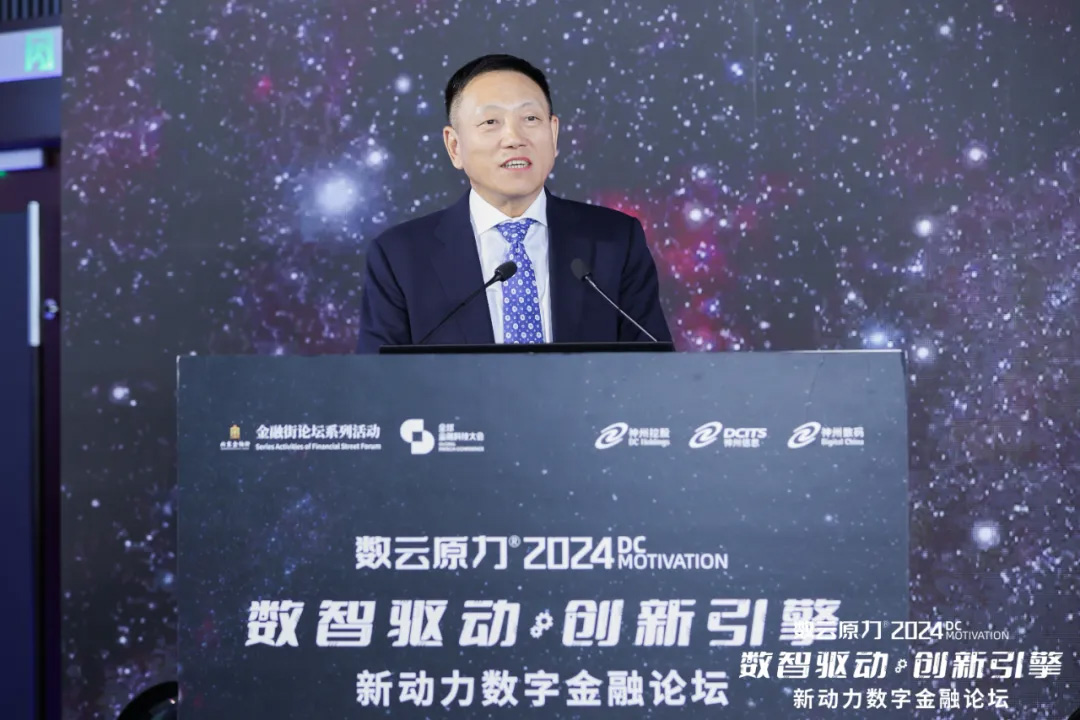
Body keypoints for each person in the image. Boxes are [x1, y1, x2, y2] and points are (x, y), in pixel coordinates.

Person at [356, 54, 672, 353]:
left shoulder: (615, 241)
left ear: (553, 133)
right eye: (490, 122)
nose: (514, 138)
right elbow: (377, 382)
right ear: (454, 146)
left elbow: (655, 371)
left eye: (530, 118)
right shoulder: (400, 257)